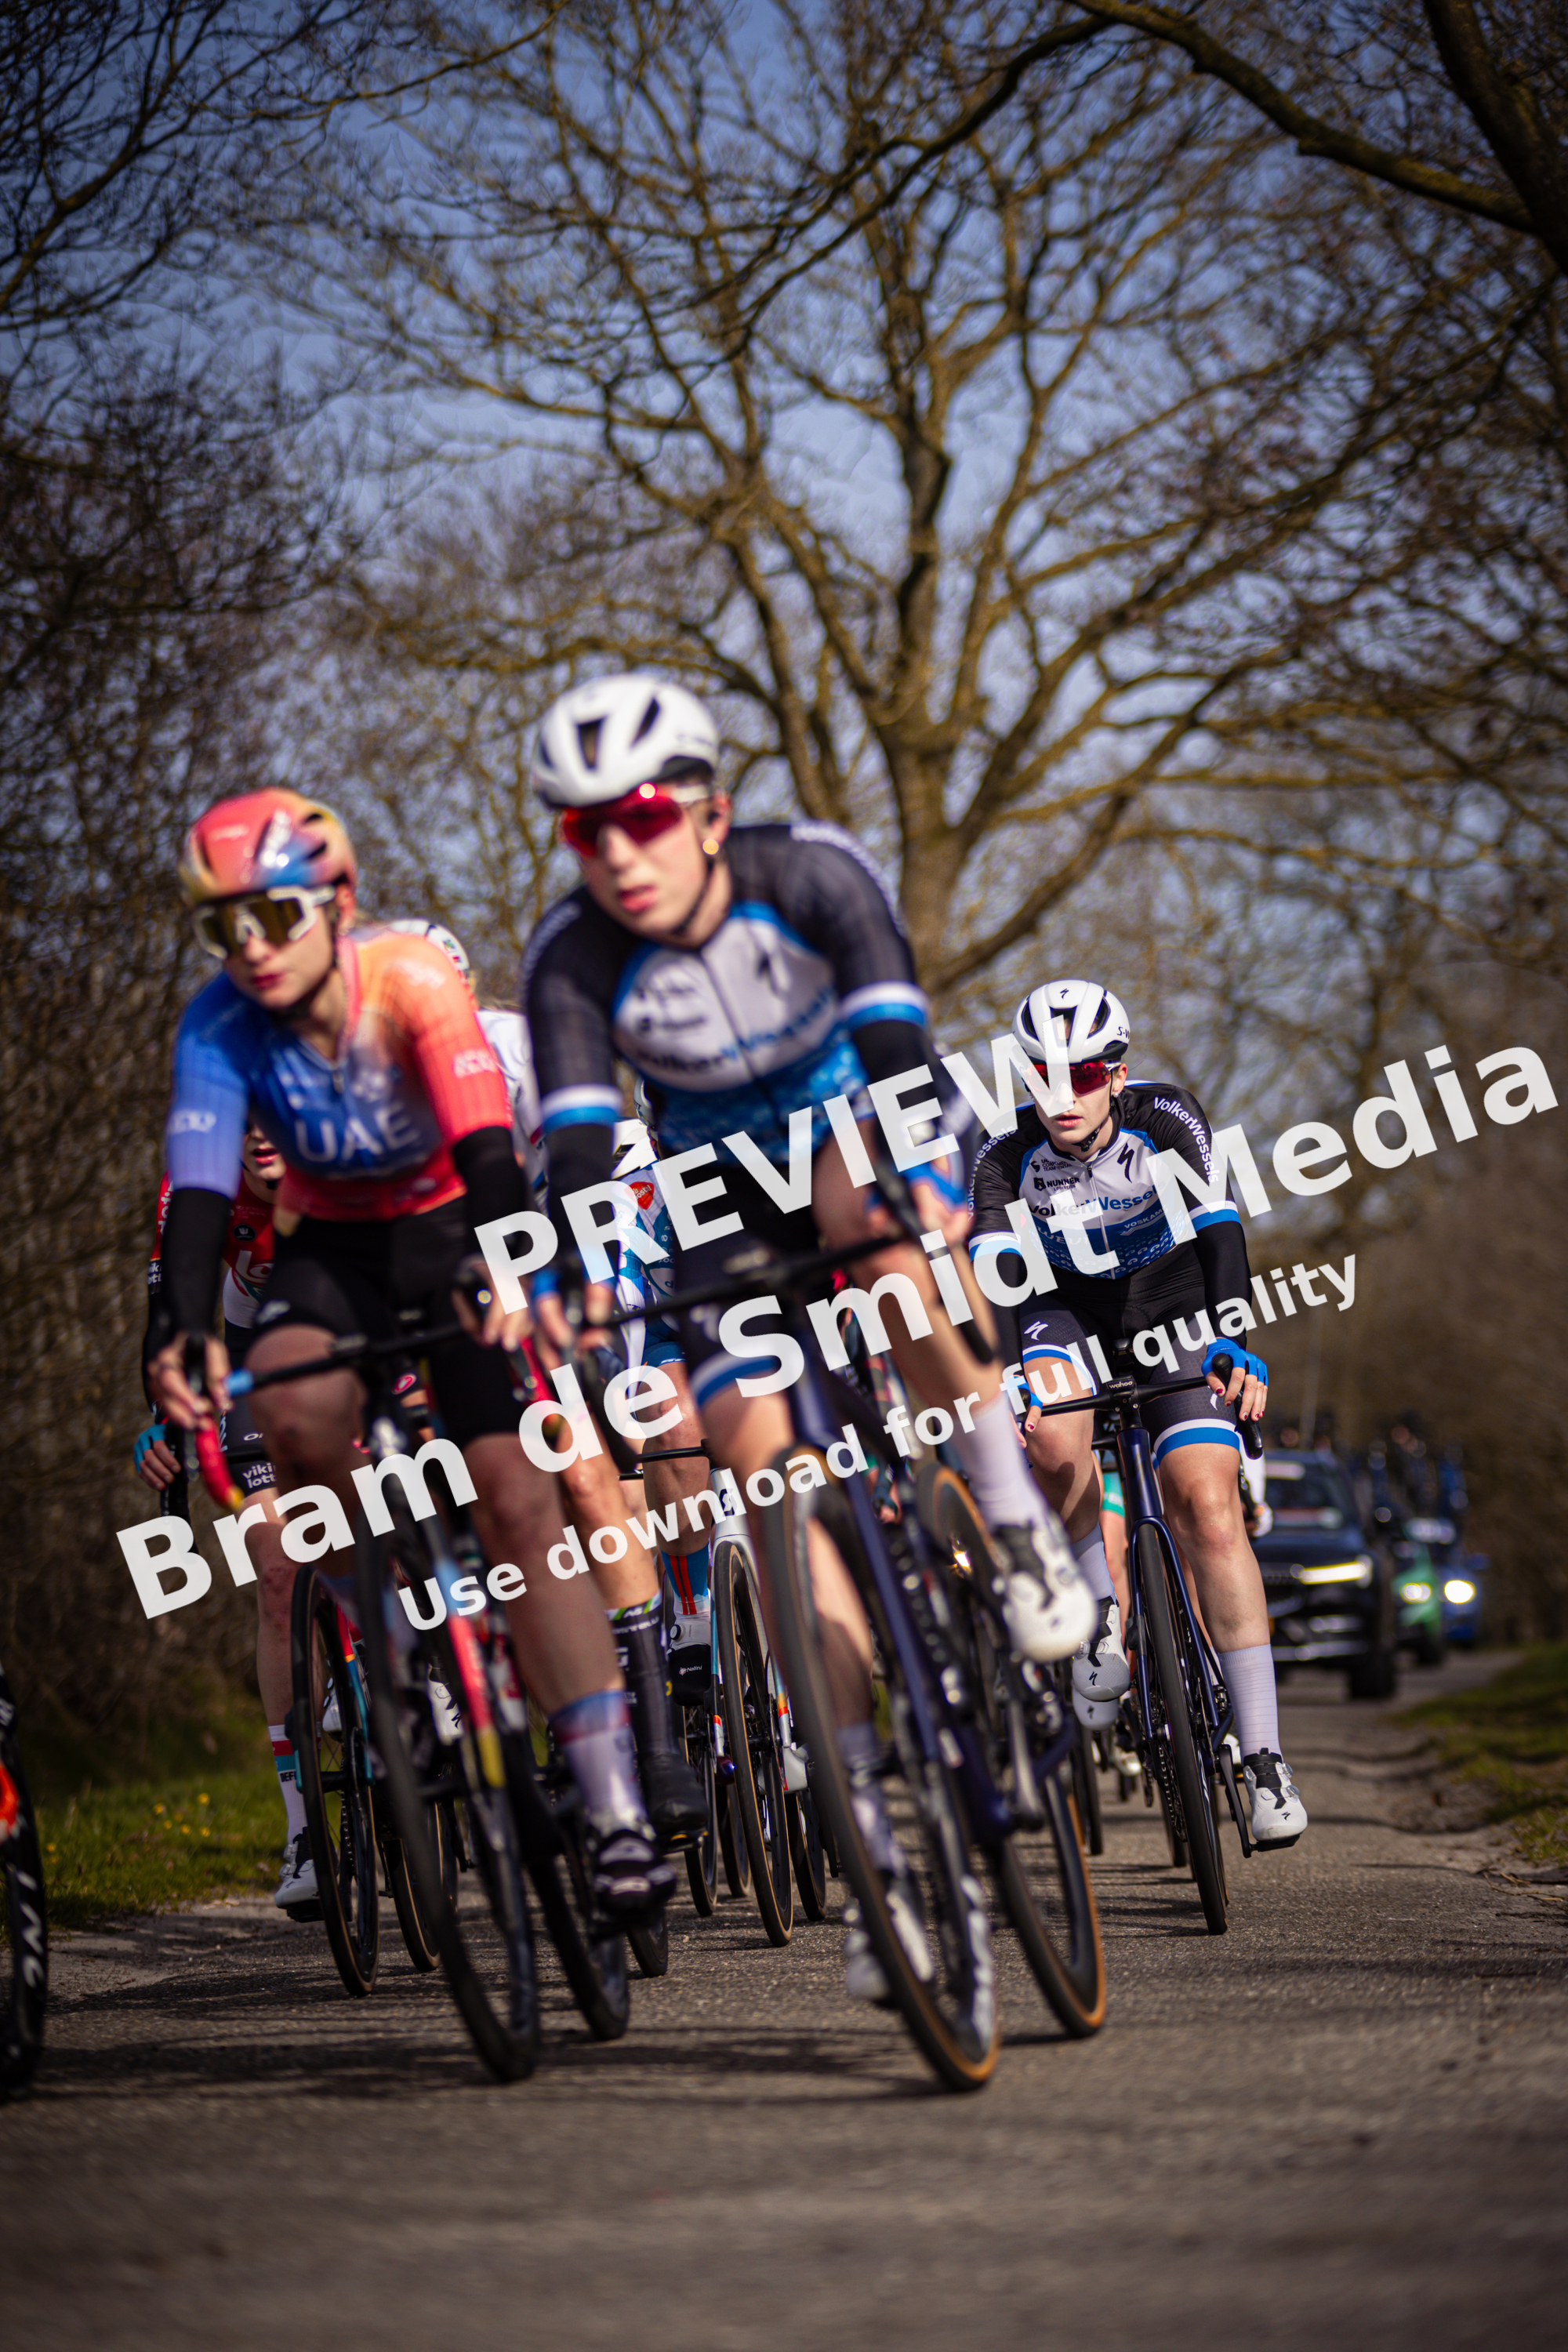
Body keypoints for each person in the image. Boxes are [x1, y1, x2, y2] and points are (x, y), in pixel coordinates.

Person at [521, 671, 1093, 1997]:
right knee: (764, 1461)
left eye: (644, 814)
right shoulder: (575, 955)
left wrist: (935, 1190)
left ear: (711, 814)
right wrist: (579, 1279)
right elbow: (575, 1148)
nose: (618, 851)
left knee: (887, 1239)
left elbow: (900, 1047)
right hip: (720, 1193)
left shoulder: (814, 873)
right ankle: (881, 1856)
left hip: (861, 1123)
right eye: (582, 828)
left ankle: (1014, 1536)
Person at [147, 788, 670, 1918]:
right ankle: (390, 1638)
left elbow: (490, 1153)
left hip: (448, 1225)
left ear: (337, 904)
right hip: (334, 1245)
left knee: (521, 1502)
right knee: (289, 1420)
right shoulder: (217, 1025)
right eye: (220, 927)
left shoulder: (413, 983)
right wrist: (178, 1337)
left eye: (273, 917)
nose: (250, 950)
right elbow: (193, 1207)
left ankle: (612, 1804)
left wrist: (501, 1269)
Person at [970, 978, 1308, 1849]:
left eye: (1082, 1074)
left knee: (1205, 1504)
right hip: (1065, 1315)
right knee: (1047, 1434)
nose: (1061, 1093)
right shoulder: (1002, 1160)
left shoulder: (1166, 1120)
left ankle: (1263, 1754)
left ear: (1116, 1074)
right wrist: (1009, 1374)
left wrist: (1231, 1336)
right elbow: (998, 1286)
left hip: (1175, 1309)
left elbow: (1221, 1230)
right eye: (1041, 1072)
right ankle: (1101, 1625)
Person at [134, 1127, 320, 1907]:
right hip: (251, 1357)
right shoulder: (197, 1179)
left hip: (361, 1334)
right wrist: (161, 1417)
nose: (257, 1133)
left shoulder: (343, 1144)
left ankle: (425, 1668)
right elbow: (170, 1314)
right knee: (274, 1572)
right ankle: (303, 1829)